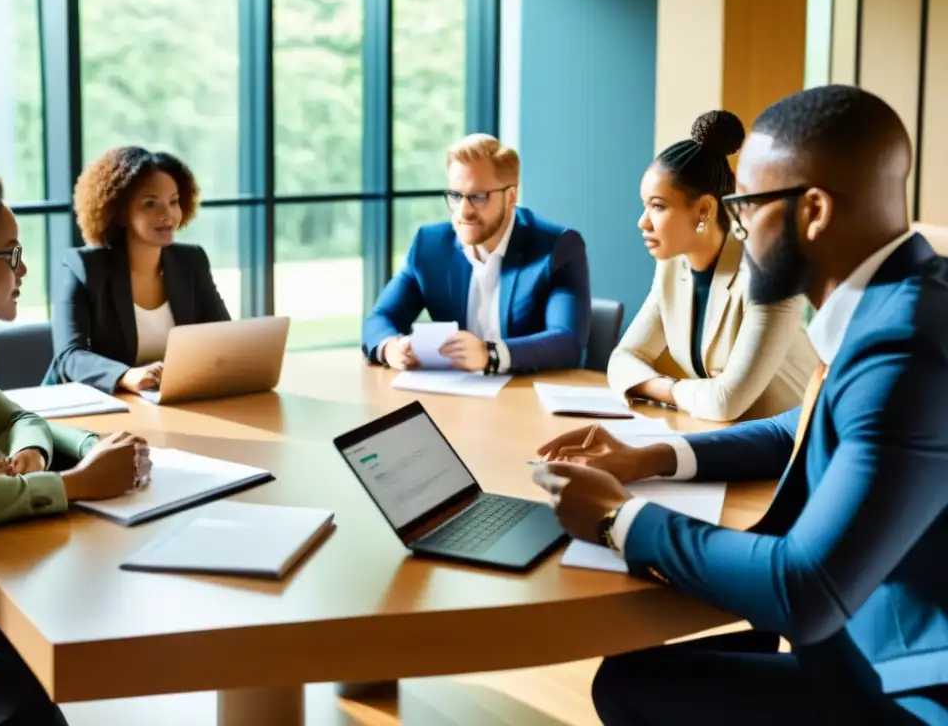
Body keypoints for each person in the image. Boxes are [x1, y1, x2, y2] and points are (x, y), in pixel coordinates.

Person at [534, 86, 948, 724]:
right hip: (866, 653)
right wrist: (652, 457)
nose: (736, 226)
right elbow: (802, 427)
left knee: (631, 687)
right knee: (634, 677)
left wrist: (621, 520)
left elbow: (805, 589)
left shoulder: (908, 346)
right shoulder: (904, 301)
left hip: (907, 693)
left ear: (812, 210)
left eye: (746, 206)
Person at [0, 160, 153, 724]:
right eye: (9, 254)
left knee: (15, 623)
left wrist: (38, 454)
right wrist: (77, 484)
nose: (23, 268)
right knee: (22, 674)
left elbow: (16, 419)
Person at [607, 109, 817, 421]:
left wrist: (665, 390)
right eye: (645, 206)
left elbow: (725, 402)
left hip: (792, 451)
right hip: (725, 437)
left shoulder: (769, 275)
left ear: (704, 210)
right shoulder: (672, 269)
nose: (643, 222)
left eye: (658, 207)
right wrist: (675, 389)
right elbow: (623, 359)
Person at [362, 133, 591, 374]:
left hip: (526, 398)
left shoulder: (558, 247)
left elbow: (567, 342)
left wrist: (489, 354)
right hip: (456, 398)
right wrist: (391, 348)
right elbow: (380, 318)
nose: (464, 211)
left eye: (478, 197)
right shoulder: (429, 246)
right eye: (455, 196)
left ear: (511, 197)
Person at [48, 146, 229, 395]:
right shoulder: (83, 267)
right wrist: (125, 376)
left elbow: (223, 337)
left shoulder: (191, 261)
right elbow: (69, 356)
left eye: (174, 202)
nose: (167, 214)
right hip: (94, 405)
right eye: (150, 204)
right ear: (120, 213)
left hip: (168, 401)